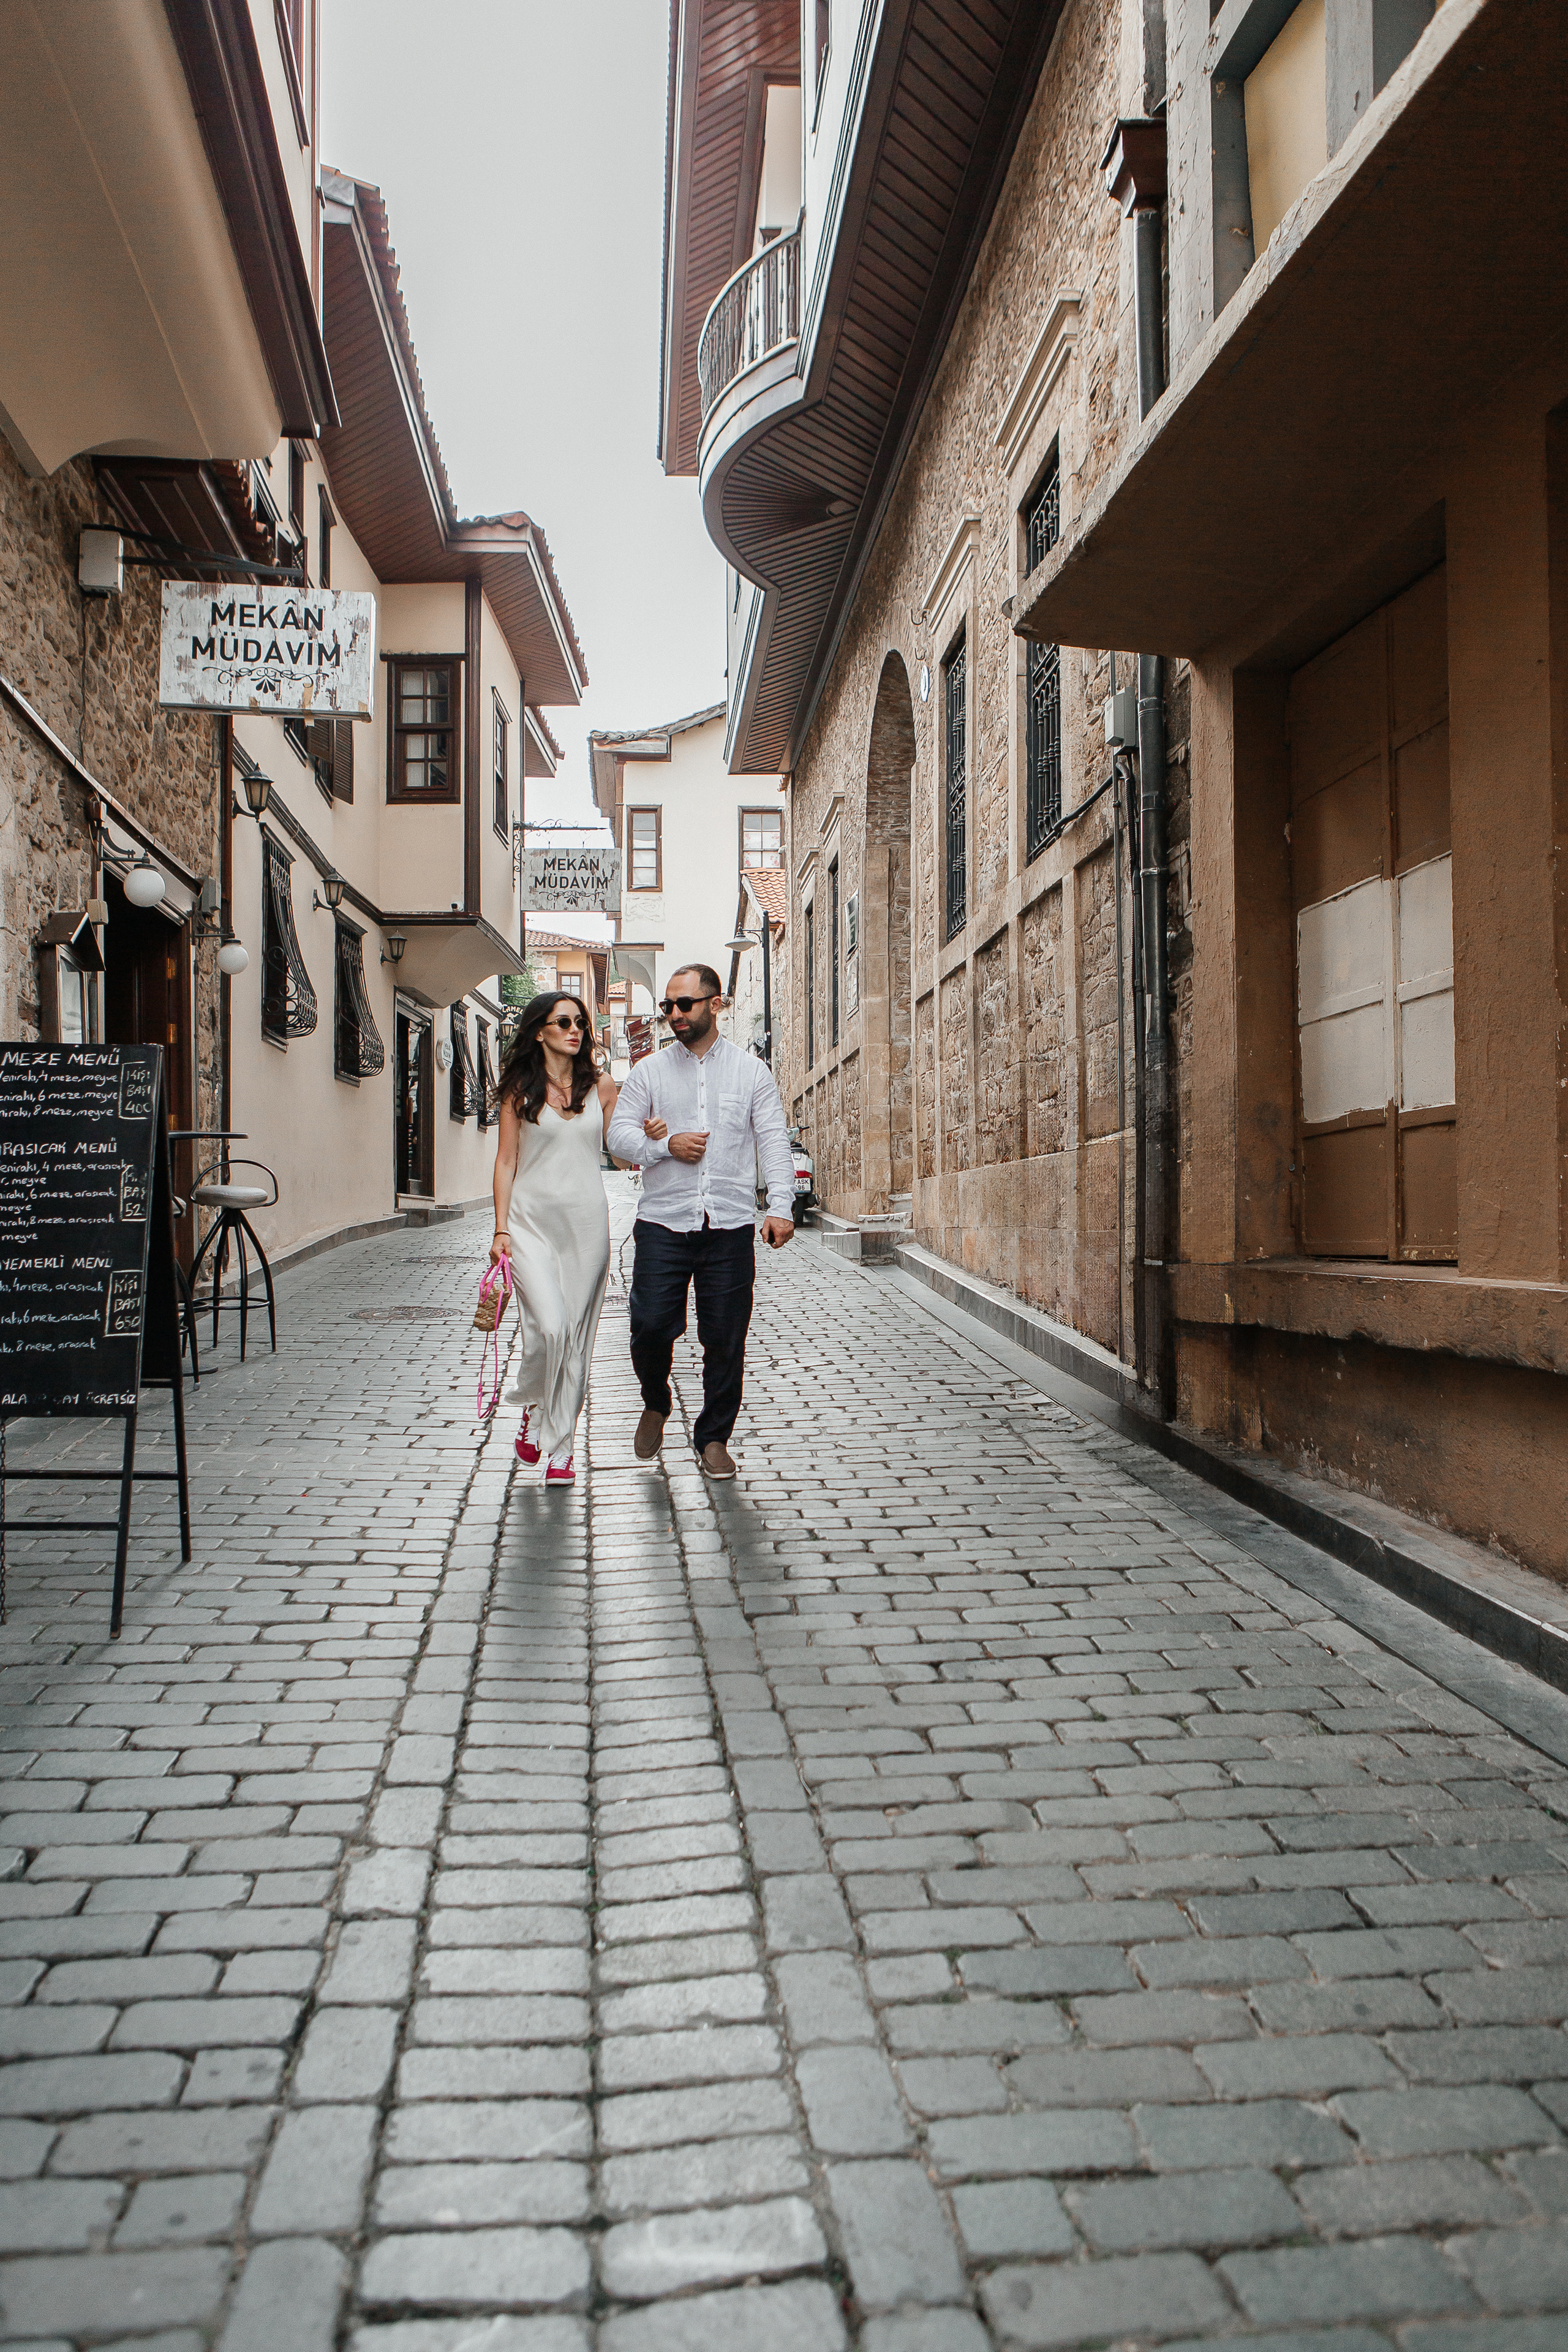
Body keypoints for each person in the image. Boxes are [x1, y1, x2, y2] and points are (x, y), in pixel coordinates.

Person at [606, 962, 795, 1479]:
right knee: (648, 1326)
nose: (673, 1015)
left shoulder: (752, 1072)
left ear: (716, 1004)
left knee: (726, 1337)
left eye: (683, 1004)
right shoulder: (649, 1072)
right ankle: (656, 1400)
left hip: (729, 1226)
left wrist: (781, 1206)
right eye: (667, 1006)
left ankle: (713, 1438)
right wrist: (663, 1145)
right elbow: (618, 1137)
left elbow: (772, 1141)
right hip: (663, 1223)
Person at [488, 993, 619, 1487]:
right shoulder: (519, 1090)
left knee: (578, 1340)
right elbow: (505, 1161)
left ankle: (561, 1449)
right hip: (529, 1224)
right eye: (563, 1022)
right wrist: (500, 1228)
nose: (575, 1029)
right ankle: (534, 1404)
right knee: (550, 1327)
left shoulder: (602, 1087)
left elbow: (622, 1154)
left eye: (581, 1022)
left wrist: (650, 1135)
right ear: (539, 1031)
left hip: (587, 1227)